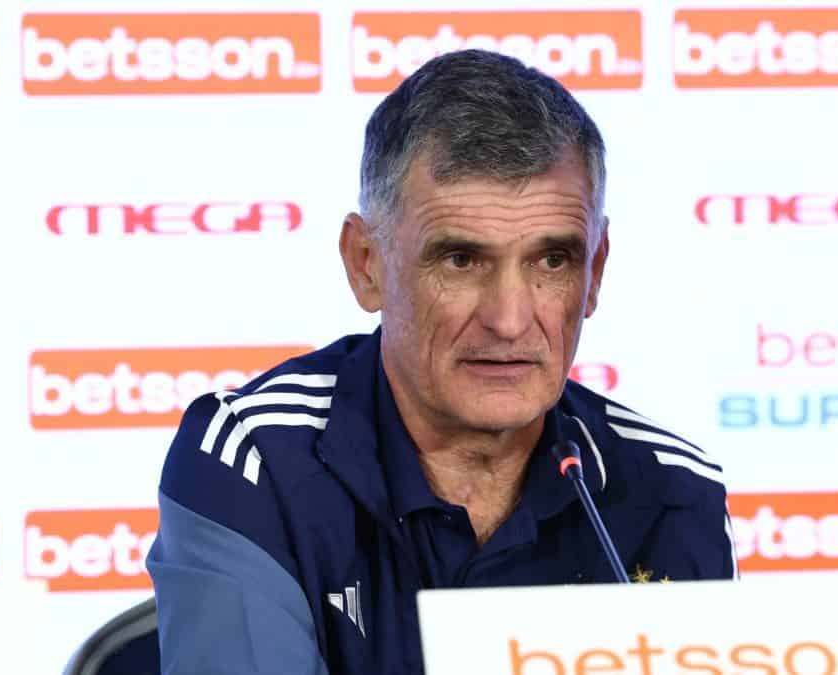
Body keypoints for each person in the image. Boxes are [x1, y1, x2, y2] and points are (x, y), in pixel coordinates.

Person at [146, 49, 736, 675]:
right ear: (366, 264)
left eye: (552, 261)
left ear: (595, 272)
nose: (509, 320)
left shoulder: (670, 487)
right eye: (461, 260)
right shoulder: (254, 458)